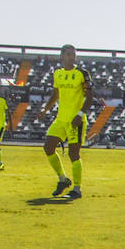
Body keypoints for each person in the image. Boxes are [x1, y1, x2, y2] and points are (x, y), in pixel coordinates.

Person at [40, 44, 92, 199]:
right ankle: (63, 179)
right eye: (68, 54)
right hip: (61, 119)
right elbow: (55, 94)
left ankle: (77, 189)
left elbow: (90, 97)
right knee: (48, 147)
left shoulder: (82, 73)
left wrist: (80, 113)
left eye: (73, 54)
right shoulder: (58, 74)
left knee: (73, 153)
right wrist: (45, 109)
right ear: (62, 56)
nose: (72, 57)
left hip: (76, 120)